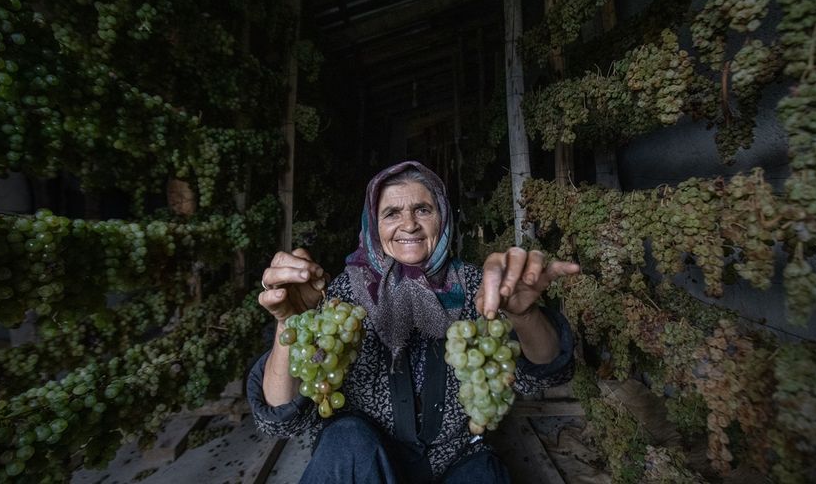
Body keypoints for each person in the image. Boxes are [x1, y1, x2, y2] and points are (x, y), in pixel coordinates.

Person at [247, 161, 579, 483]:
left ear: (444, 217)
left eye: (423, 209)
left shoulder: (481, 287)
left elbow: (543, 378)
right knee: (345, 441)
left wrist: (523, 314)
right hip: (365, 460)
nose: (409, 224)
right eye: (392, 213)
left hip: (457, 459)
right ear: (372, 225)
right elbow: (280, 422)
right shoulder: (338, 296)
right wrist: (288, 323)